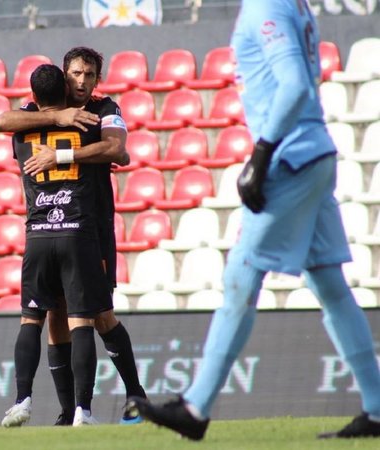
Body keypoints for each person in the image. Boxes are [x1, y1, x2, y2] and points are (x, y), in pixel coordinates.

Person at [127, 0, 380, 441]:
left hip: (292, 157)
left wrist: (261, 155)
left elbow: (294, 85)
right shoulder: (292, 4)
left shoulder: (265, 5)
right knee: (332, 287)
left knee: (241, 278)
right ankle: (378, 409)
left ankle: (196, 407)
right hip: (315, 152)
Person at [0, 47, 146, 426]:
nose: (82, 81)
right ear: (65, 75)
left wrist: (62, 157)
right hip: (62, 227)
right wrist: (60, 115)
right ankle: (70, 411)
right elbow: (2, 120)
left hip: (92, 226)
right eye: (76, 74)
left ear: (98, 79)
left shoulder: (105, 109)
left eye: (90, 75)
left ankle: (135, 397)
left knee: (100, 315)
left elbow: (117, 149)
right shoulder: (41, 113)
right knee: (58, 316)